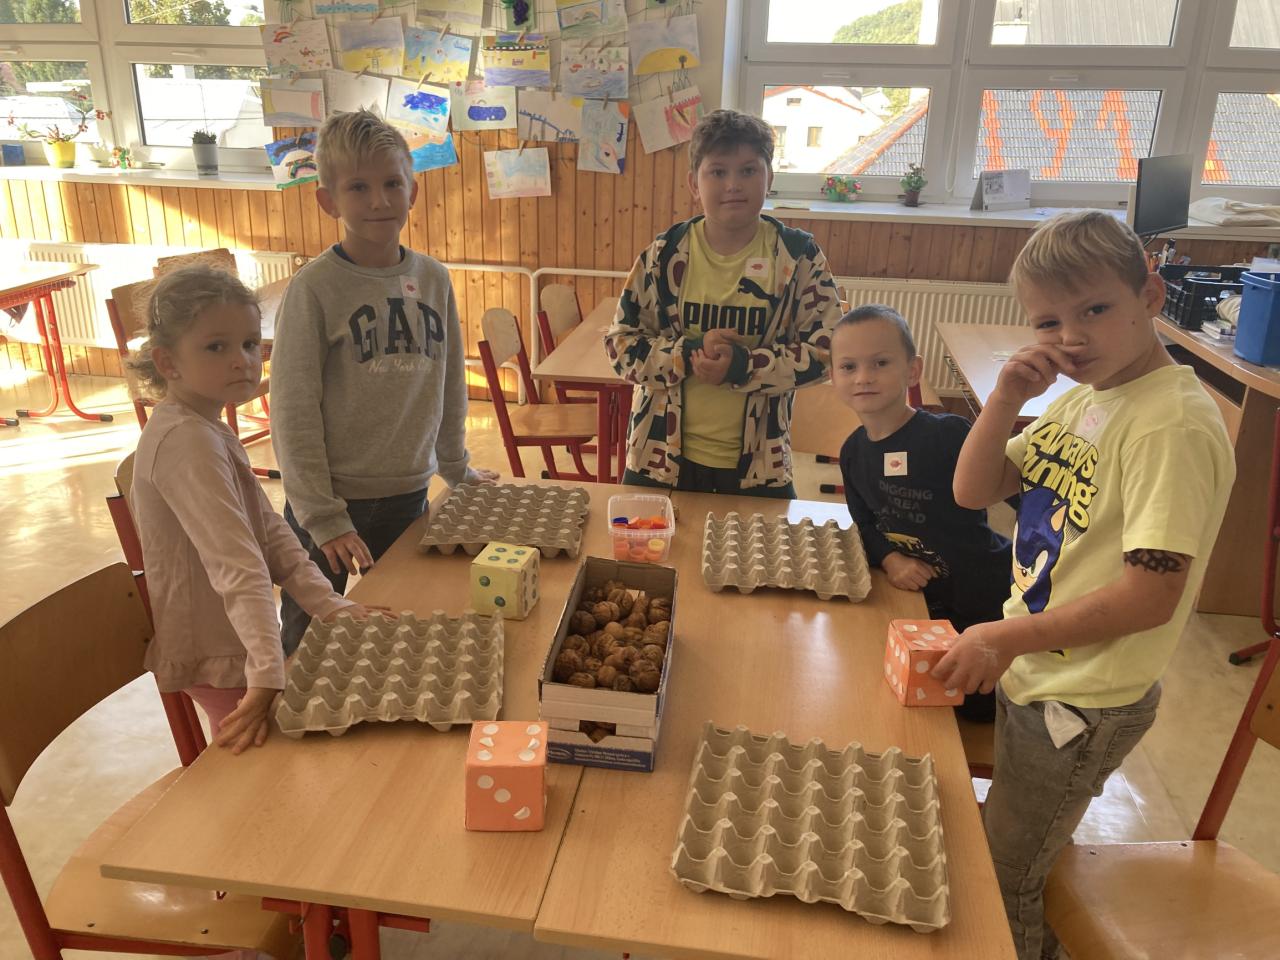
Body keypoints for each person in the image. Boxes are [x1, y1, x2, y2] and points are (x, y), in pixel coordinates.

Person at [934, 211, 1236, 960]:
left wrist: (1005, 636)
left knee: (1007, 875)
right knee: (1015, 843)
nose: (1071, 337)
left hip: (1084, 699)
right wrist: (1005, 397)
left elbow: (1149, 597)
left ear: (1151, 296)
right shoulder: (1088, 396)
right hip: (1041, 672)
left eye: (1094, 309)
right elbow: (974, 490)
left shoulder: (1169, 426)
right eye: (1048, 322)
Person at [270, 109, 495, 654]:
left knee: (400, 623)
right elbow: (293, 410)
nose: (379, 201)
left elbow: (448, 383)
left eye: (392, 183)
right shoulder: (315, 288)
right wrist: (322, 517)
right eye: (358, 187)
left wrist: (455, 466)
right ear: (328, 201)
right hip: (332, 499)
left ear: (412, 191)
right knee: (309, 636)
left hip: (407, 493)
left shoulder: (434, 278)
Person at [130, 266, 371, 753]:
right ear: (168, 362)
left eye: (248, 344)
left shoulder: (207, 426)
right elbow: (238, 566)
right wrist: (266, 673)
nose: (241, 360)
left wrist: (328, 604)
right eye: (216, 347)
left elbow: (270, 532)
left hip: (239, 645)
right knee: (260, 776)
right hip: (219, 654)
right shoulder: (187, 442)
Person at [604, 108, 841, 497]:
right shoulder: (664, 255)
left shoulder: (798, 256)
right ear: (694, 184)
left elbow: (828, 353)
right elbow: (621, 346)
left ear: (769, 178)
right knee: (639, 539)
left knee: (763, 542)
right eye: (717, 172)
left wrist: (743, 365)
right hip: (658, 457)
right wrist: (689, 353)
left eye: (748, 170)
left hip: (761, 464)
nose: (733, 184)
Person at [833, 304, 1010, 722]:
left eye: (880, 363)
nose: (863, 377)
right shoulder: (853, 451)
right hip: (915, 602)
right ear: (833, 377)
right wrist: (891, 558)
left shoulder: (948, 436)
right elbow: (864, 524)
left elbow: (1024, 496)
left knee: (974, 710)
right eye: (848, 366)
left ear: (913, 371)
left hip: (980, 596)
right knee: (915, 702)